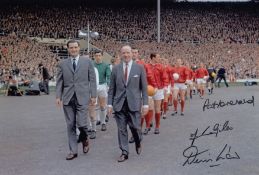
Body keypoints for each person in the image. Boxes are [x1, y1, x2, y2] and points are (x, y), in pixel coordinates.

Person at [56, 40, 97, 160]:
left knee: (82, 123)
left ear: (79, 48)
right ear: (68, 49)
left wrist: (93, 95)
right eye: (71, 48)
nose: (73, 49)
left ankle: (84, 139)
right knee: (70, 125)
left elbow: (92, 80)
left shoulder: (87, 62)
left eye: (75, 47)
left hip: (83, 97)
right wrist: (58, 97)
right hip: (68, 98)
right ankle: (73, 151)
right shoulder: (62, 64)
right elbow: (59, 82)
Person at [107, 45, 148, 162]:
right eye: (123, 53)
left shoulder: (139, 68)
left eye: (128, 53)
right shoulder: (115, 69)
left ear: (132, 54)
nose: (126, 55)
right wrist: (109, 104)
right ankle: (124, 152)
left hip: (134, 103)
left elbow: (144, 88)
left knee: (135, 127)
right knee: (121, 129)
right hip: (119, 104)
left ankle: (138, 140)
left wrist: (145, 104)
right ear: (121, 54)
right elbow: (112, 89)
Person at [93, 50, 111, 131]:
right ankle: (97, 119)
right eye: (96, 55)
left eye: (99, 55)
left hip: (102, 85)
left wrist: (108, 84)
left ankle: (103, 123)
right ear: (94, 56)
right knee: (94, 105)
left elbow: (108, 75)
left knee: (102, 105)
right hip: (93, 86)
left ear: (102, 56)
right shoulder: (91, 64)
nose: (98, 57)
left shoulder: (106, 65)